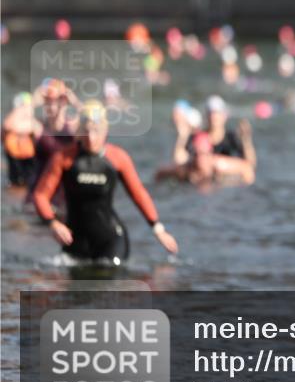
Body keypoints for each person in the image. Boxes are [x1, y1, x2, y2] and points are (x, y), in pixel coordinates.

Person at [33, 100, 178, 265]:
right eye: (87, 131)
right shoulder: (63, 158)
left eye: (96, 131)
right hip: (75, 240)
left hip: (110, 239)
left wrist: (158, 229)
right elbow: (40, 195)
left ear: (105, 130)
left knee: (109, 278)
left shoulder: (117, 158)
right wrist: (52, 223)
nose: (92, 137)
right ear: (79, 131)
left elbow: (138, 194)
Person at [26, 78, 79, 200]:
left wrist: (75, 102)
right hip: (38, 191)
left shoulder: (73, 125)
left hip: (65, 193)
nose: (50, 105)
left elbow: (96, 125)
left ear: (64, 101)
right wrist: (33, 101)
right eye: (47, 101)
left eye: (56, 100)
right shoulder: (38, 126)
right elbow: (9, 124)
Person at [173, 95, 256, 167]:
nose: (213, 117)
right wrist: (182, 137)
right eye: (211, 113)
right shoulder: (198, 138)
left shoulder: (231, 138)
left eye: (217, 113)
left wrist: (246, 140)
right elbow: (179, 161)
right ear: (206, 116)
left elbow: (250, 164)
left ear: (224, 116)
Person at [157, 131, 255, 186]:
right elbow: (159, 173)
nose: (199, 158)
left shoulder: (218, 165)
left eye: (202, 154)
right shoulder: (186, 170)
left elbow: (247, 168)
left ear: (210, 154)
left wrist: (239, 185)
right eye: (196, 154)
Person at [3, 92, 42, 187]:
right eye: (24, 107)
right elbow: (7, 126)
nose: (27, 109)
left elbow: (39, 132)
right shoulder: (12, 119)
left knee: (30, 178)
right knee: (16, 179)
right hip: (14, 154)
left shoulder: (33, 121)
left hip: (29, 155)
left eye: (29, 107)